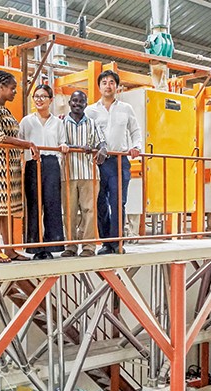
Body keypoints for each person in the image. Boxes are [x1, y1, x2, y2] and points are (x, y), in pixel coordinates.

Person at [0, 70, 38, 263]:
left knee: (8, 209)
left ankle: (9, 249)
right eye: (12, 88)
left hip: (11, 164)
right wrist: (27, 144)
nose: (15, 91)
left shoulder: (5, 110)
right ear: (0, 87)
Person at [85, 70, 142, 255]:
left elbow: (135, 130)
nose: (108, 86)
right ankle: (106, 243)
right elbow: (86, 133)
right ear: (99, 87)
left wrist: (136, 146)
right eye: (104, 82)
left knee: (118, 202)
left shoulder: (126, 108)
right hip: (98, 163)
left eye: (111, 82)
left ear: (117, 87)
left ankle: (117, 242)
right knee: (100, 202)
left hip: (119, 160)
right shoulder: (90, 111)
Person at [18, 85, 67, 260]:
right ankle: (35, 247)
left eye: (43, 96)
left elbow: (62, 142)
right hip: (33, 164)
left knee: (52, 204)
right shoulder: (26, 121)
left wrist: (62, 148)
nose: (39, 100)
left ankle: (52, 245)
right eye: (36, 96)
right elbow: (20, 141)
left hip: (52, 163)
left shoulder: (58, 123)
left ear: (51, 100)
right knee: (33, 205)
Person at [61, 90, 107, 257]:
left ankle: (89, 247)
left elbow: (101, 142)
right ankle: (70, 246)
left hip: (89, 173)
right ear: (69, 103)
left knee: (89, 211)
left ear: (86, 104)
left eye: (81, 101)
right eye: (74, 100)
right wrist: (79, 148)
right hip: (68, 173)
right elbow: (60, 143)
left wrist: (102, 149)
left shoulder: (92, 123)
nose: (77, 104)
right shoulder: (61, 123)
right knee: (69, 212)